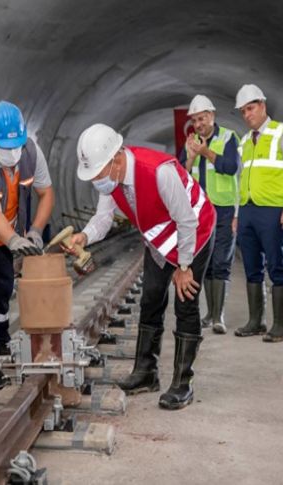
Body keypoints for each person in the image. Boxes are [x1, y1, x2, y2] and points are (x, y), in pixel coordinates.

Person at [65, 123, 215, 410]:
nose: (96, 181)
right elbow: (103, 218)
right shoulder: (110, 179)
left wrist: (184, 267)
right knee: (151, 298)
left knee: (186, 300)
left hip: (195, 233)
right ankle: (146, 373)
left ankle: (183, 383)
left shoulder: (159, 171)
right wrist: (84, 235)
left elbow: (186, 221)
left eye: (98, 173)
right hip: (160, 239)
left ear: (117, 159)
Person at [0, 101, 54, 389]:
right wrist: (14, 240)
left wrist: (35, 231)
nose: (13, 153)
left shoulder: (31, 151)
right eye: (6, 147)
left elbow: (46, 194)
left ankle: (1, 342)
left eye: (16, 145)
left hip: (10, 235)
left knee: (4, 290)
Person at [232, 84, 283, 343]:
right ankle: (256, 321)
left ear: (262, 105)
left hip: (273, 211)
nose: (247, 115)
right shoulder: (244, 141)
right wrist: (238, 214)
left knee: (276, 266)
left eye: (250, 108)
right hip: (249, 211)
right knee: (251, 267)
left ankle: (280, 325)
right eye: (243, 112)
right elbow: (241, 180)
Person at [179, 94, 240, 334]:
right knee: (205, 263)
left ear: (212, 116)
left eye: (202, 118)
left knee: (221, 261)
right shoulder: (190, 141)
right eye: (195, 120)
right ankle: (209, 314)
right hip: (199, 212)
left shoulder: (228, 138)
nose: (198, 124)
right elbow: (182, 175)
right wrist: (192, 156)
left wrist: (205, 152)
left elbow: (230, 167)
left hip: (223, 210)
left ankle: (219, 316)